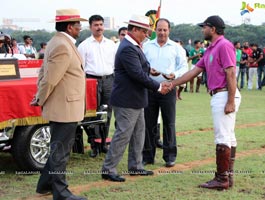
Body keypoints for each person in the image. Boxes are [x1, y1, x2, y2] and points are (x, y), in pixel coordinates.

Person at [167, 15, 241, 190]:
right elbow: (193, 72)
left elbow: (230, 74)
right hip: (220, 94)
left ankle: (222, 178)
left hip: (224, 94)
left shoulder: (224, 45)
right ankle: (227, 176)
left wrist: (230, 100)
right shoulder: (210, 49)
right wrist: (172, 84)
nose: (203, 30)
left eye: (204, 27)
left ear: (212, 29)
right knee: (228, 136)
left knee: (222, 137)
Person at [101, 14, 169, 182]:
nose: (147, 35)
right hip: (127, 100)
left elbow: (139, 69)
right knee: (123, 134)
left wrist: (149, 70)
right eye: (145, 31)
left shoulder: (134, 46)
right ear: (135, 30)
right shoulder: (127, 48)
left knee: (139, 134)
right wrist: (158, 86)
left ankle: (136, 166)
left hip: (136, 99)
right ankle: (108, 168)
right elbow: (136, 74)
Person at [30, 8, 88, 200]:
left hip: (65, 106)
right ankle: (61, 193)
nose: (80, 28)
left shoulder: (58, 42)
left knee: (58, 149)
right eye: (78, 24)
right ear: (70, 26)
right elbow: (50, 79)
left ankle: (45, 185)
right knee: (60, 152)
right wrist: (40, 98)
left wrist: (40, 96)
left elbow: (43, 73)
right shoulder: (63, 45)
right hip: (64, 108)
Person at [142, 18, 188, 167]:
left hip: (168, 88)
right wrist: (149, 70)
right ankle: (148, 156)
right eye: (159, 29)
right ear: (155, 30)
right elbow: (140, 65)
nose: (162, 33)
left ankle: (169, 156)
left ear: (169, 31)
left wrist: (174, 75)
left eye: (165, 30)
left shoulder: (176, 48)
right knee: (149, 123)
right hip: (150, 88)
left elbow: (184, 67)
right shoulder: (146, 46)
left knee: (169, 123)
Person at [78, 15, 116, 157]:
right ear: (90, 27)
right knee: (91, 114)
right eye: (96, 25)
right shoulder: (84, 45)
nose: (99, 27)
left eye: (101, 24)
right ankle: (94, 144)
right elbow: (80, 68)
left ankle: (104, 143)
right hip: (91, 81)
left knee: (107, 113)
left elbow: (115, 65)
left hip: (109, 81)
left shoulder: (111, 44)